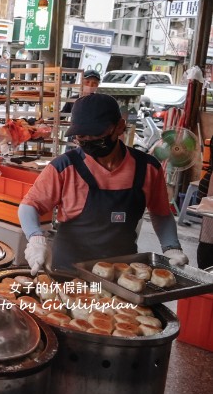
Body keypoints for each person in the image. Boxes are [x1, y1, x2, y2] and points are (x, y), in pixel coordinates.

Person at [20, 93, 189, 274]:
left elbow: (161, 213)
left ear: (119, 127)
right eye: (82, 135)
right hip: (69, 270)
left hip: (123, 273)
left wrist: (171, 247)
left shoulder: (147, 168)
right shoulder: (64, 167)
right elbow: (29, 206)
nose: (89, 140)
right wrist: (36, 239)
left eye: (96, 133)